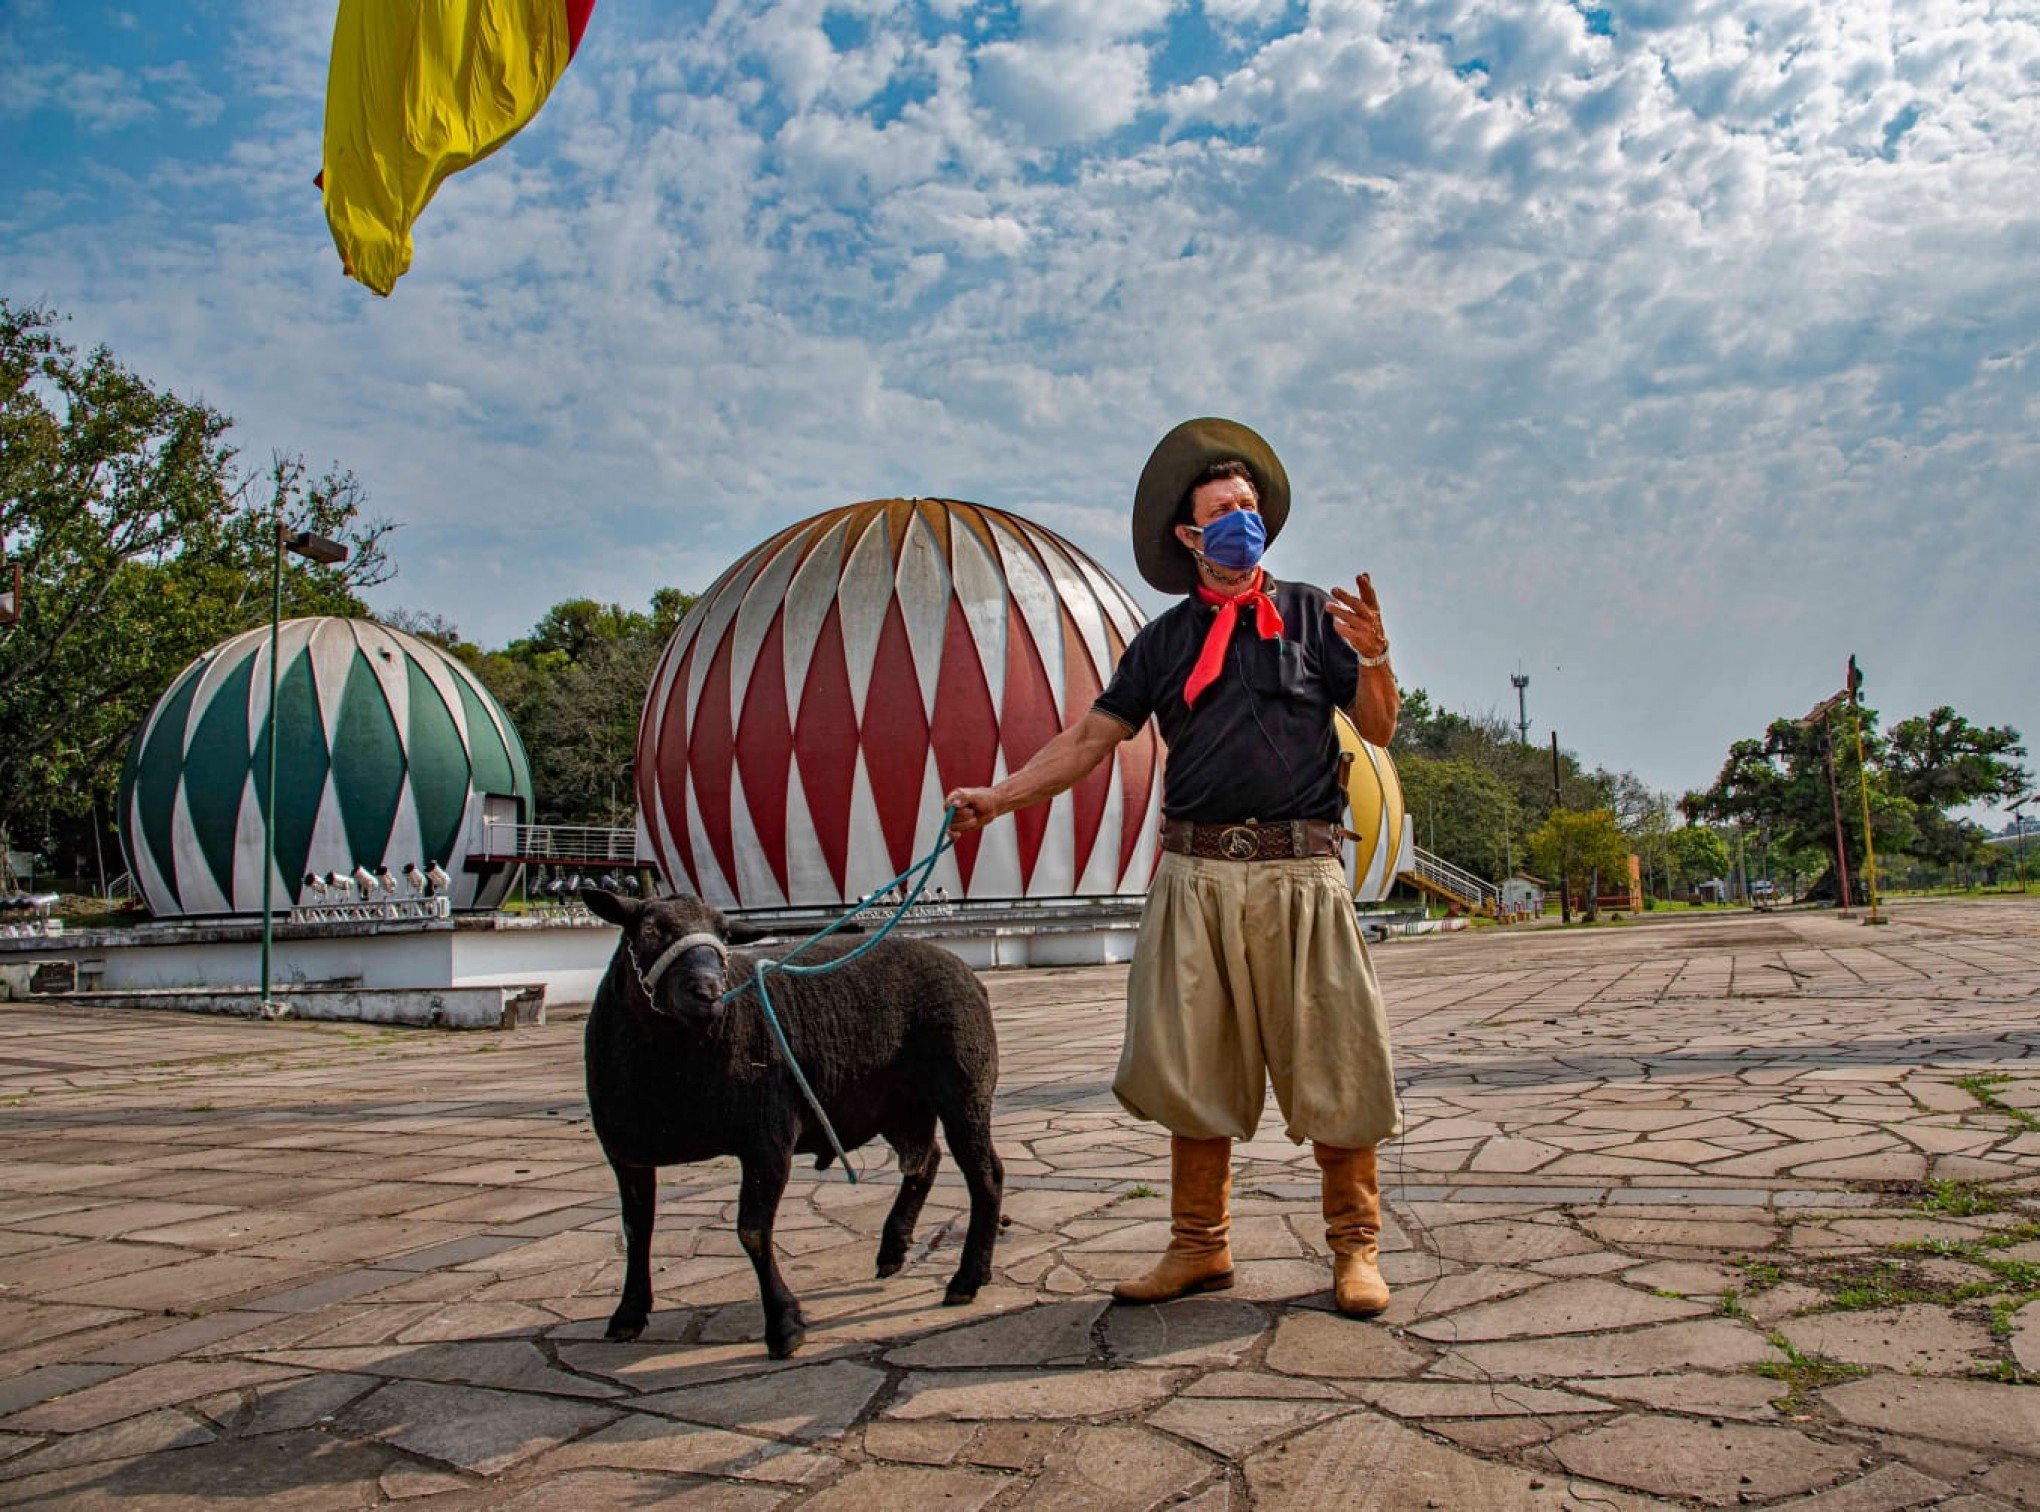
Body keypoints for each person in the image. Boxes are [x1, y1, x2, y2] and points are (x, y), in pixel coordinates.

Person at [946, 417, 1402, 1317]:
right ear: (1190, 537)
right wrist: (1001, 796)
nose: (1244, 520)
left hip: (1301, 876)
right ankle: (1200, 1248)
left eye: (1251, 507)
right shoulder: (1162, 641)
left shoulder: (1314, 613)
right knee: (1195, 1068)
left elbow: (1380, 728)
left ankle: (1355, 1251)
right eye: (1223, 511)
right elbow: (1090, 738)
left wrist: (1378, 653)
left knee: (1338, 1063)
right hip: (1195, 878)